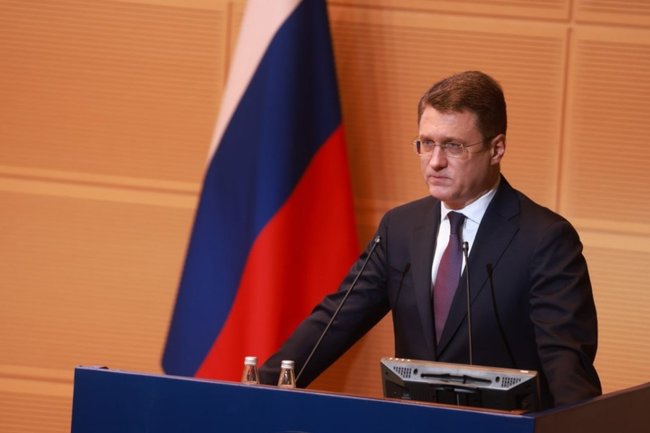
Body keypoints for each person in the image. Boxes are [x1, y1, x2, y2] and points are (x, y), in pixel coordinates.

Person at [259, 70, 602, 409]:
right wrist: (257, 391)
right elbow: (334, 322)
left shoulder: (545, 239)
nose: (435, 162)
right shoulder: (400, 228)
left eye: (453, 146)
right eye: (426, 144)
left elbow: (567, 368)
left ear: (496, 149)